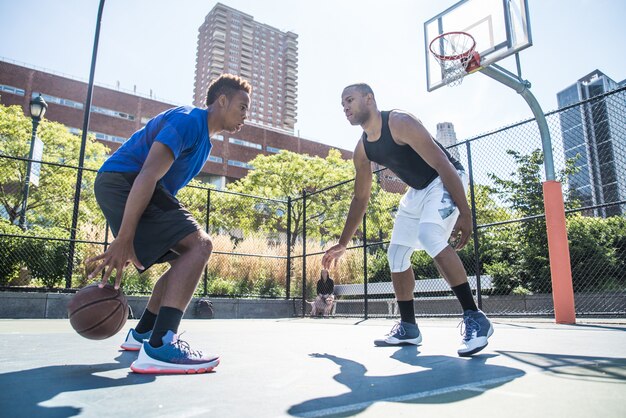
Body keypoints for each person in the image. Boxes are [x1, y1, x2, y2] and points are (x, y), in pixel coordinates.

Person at [86, 74, 251, 373]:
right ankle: (161, 346)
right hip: (125, 181)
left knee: (186, 257)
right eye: (242, 107)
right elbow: (148, 174)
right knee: (201, 245)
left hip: (129, 186)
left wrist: (138, 237)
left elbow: (162, 193)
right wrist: (125, 237)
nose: (245, 116)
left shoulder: (205, 144)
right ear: (222, 100)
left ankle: (143, 334)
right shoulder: (189, 121)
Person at [321, 83, 493, 357]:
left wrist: (465, 212)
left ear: (369, 99)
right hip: (419, 191)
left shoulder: (400, 122)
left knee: (428, 235)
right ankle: (409, 327)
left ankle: (475, 317)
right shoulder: (363, 150)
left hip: (446, 179)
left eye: (350, 100)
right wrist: (343, 243)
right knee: (397, 253)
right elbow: (360, 199)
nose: (345, 108)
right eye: (342, 104)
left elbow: (442, 164)